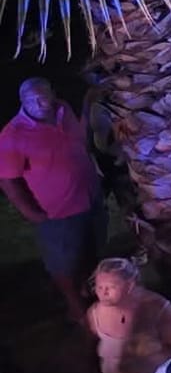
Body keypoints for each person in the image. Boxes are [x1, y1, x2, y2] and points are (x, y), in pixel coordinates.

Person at [0, 78, 103, 323]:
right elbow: (8, 181)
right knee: (63, 264)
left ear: (53, 94)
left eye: (42, 97)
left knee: (92, 252)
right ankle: (76, 309)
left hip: (90, 201)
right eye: (30, 100)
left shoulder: (63, 109)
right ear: (22, 102)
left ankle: (93, 298)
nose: (38, 104)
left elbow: (81, 139)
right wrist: (30, 212)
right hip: (58, 212)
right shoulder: (13, 135)